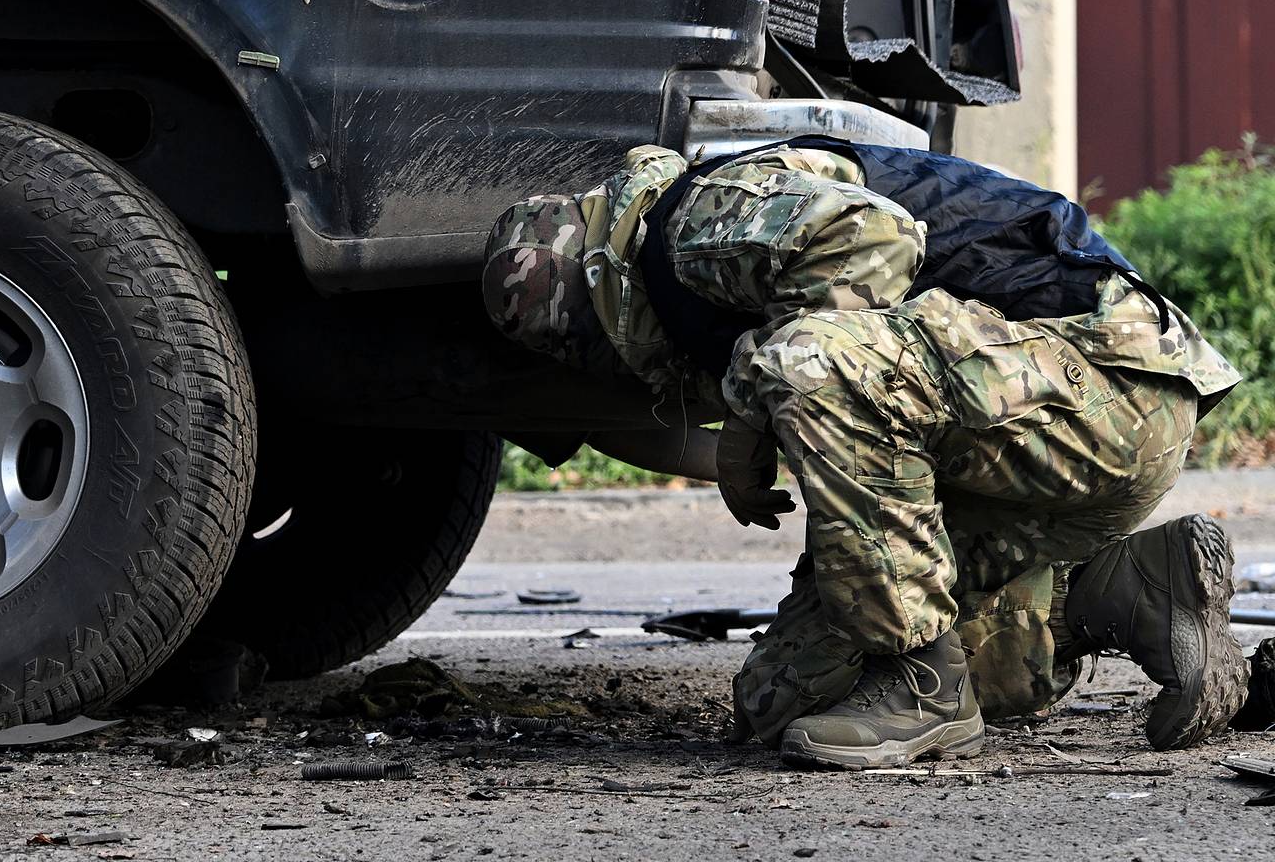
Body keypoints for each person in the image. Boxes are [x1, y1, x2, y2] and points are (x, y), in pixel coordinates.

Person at [481, 137, 1248, 769]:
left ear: (590, 283)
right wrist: (746, 422)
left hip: (1108, 386)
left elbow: (877, 244)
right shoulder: (687, 288)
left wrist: (749, 414)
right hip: (1033, 422)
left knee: (808, 364)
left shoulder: (688, 224)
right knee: (780, 699)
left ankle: (922, 685)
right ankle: (1121, 591)